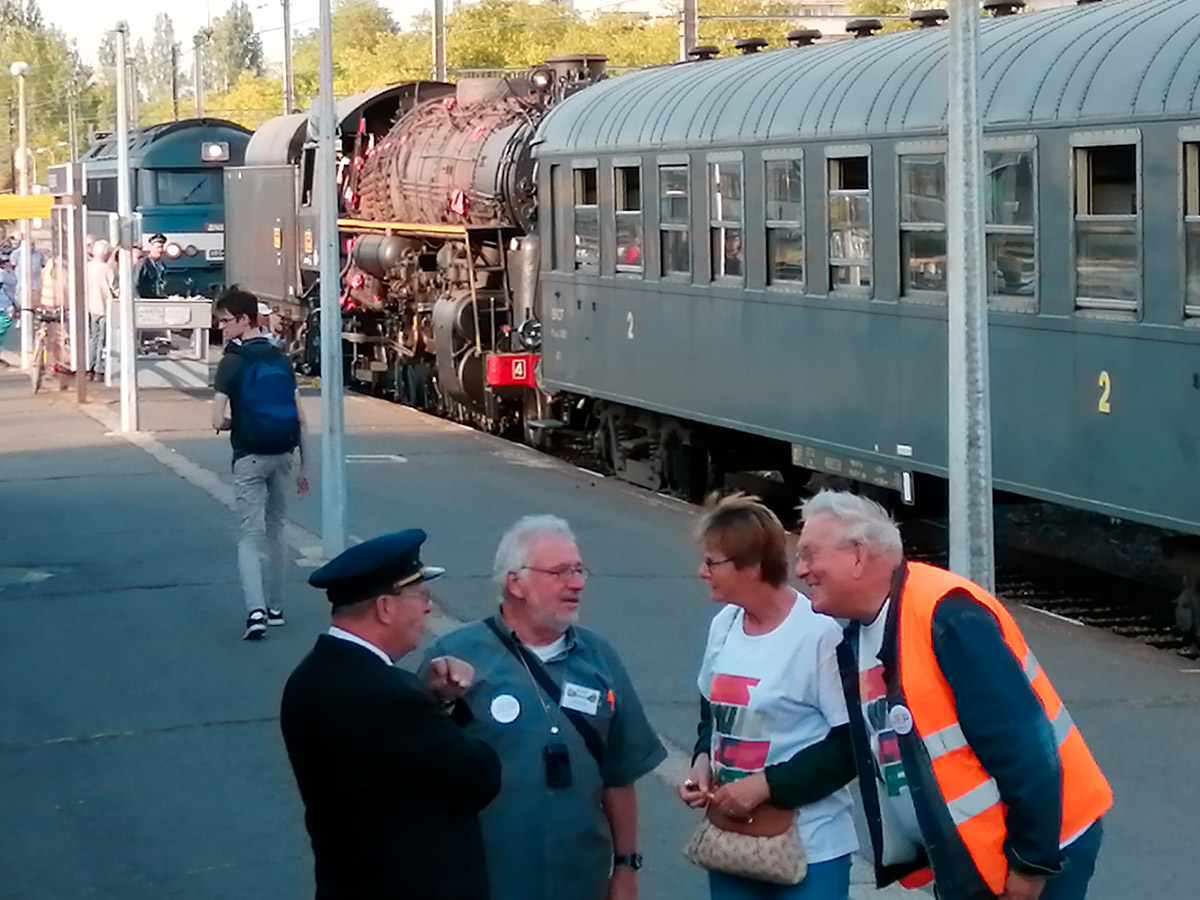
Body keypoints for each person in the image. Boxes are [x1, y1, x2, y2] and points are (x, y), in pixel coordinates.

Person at [794, 490, 1113, 900]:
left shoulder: (946, 616)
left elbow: (1025, 744)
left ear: (857, 556)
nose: (800, 569)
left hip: (1036, 852)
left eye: (809, 554)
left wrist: (1031, 864)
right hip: (983, 856)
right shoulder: (861, 635)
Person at [421, 515, 667, 900]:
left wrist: (626, 867)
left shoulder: (599, 658)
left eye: (578, 570)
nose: (577, 583)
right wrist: (436, 698)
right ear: (515, 583)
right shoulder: (453, 658)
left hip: (580, 883)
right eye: (560, 572)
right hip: (483, 882)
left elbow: (620, 775)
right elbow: (417, 772)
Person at [281, 529, 502, 900]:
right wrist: (439, 706)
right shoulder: (388, 696)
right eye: (420, 594)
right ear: (385, 608)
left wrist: (428, 697)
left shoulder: (310, 676)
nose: (428, 607)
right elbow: (477, 778)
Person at [677, 494, 858, 900]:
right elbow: (713, 712)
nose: (702, 572)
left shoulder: (818, 635)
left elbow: (850, 745)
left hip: (810, 848)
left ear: (753, 566)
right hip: (733, 842)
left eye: (712, 562)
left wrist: (765, 786)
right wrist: (702, 762)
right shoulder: (724, 625)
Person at [211, 287, 308, 639]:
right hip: (283, 455)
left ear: (244, 319)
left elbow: (216, 419)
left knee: (249, 537)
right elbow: (301, 419)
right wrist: (306, 466)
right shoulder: (281, 358)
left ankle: (256, 613)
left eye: (225, 320)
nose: (221, 327)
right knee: (277, 530)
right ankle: (276, 607)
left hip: (249, 456)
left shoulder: (231, 362)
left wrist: (239, 422)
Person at [86, 240, 116, 380]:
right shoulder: (107, 269)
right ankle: (99, 369)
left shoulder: (87, 267)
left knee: (93, 338)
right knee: (102, 340)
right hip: (104, 308)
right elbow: (115, 288)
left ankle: (89, 368)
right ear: (107, 254)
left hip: (90, 307)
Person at [134, 233, 167, 299]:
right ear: (151, 248)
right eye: (158, 247)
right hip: (146, 299)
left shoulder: (161, 265)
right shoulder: (144, 263)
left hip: (157, 299)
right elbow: (136, 283)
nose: (160, 250)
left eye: (162, 247)